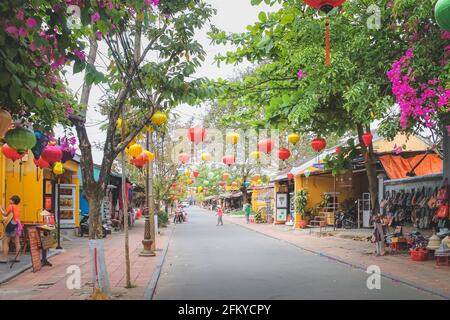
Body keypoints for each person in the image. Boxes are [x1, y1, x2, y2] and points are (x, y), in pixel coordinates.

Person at [0, 195, 23, 263]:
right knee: (17, 242)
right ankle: (17, 258)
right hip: (17, 225)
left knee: (5, 242)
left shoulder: (11, 206)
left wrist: (0, 209)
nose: (9, 200)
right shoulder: (18, 208)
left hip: (10, 226)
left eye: (10, 199)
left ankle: (4, 258)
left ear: (13, 201)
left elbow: (5, 214)